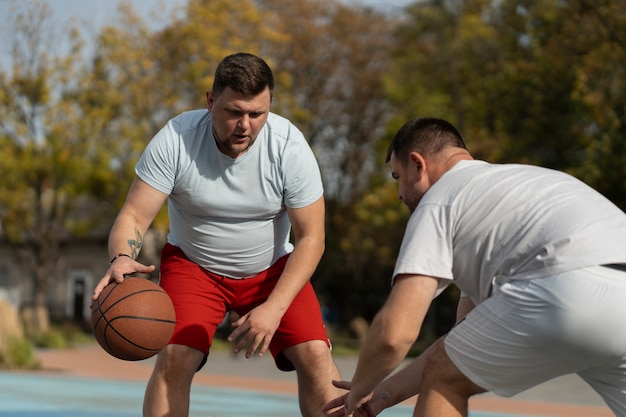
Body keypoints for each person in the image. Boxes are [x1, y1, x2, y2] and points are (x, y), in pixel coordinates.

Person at [92, 52, 342, 417]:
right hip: (195, 268)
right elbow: (133, 214)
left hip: (271, 269)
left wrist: (273, 309)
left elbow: (312, 239)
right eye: (234, 112)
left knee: (317, 356)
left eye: (257, 114)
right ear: (211, 102)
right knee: (176, 359)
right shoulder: (177, 139)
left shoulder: (289, 147)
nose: (245, 125)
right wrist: (122, 256)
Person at [322, 117, 626, 417]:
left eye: (397, 177)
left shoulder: (439, 201)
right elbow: (461, 343)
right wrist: (383, 396)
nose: (400, 194)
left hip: (563, 286)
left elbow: (394, 334)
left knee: (443, 377)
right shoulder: (520, 189)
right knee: (447, 367)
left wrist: (359, 390)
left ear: (418, 164)